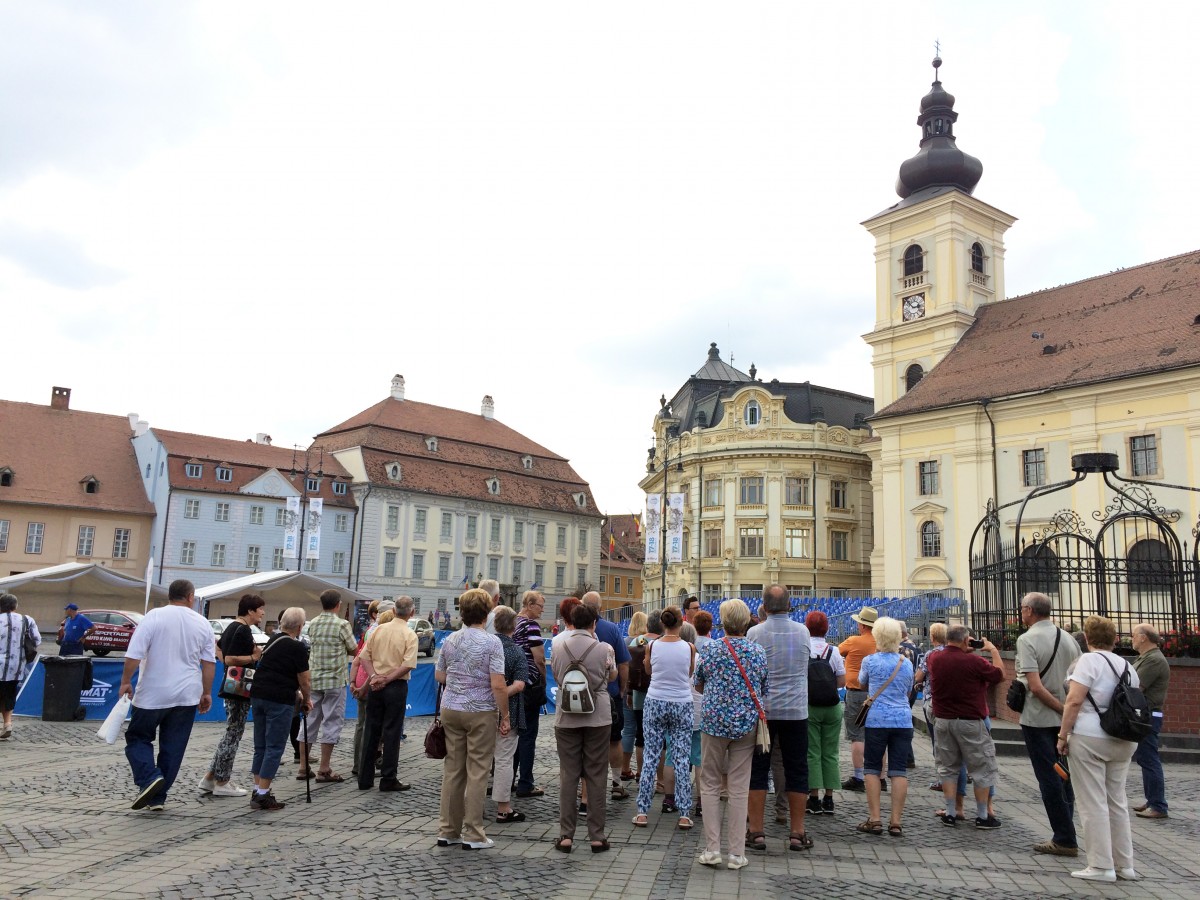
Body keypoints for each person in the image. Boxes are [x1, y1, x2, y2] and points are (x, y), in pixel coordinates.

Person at [1057, 615, 1143, 882]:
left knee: (1092, 802)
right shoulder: (1128, 666)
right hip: (1125, 738)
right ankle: (1124, 865)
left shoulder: (1088, 661)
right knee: (1116, 800)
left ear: (1087, 636)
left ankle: (1100, 865)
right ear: (1115, 638)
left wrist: (1063, 735)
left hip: (1090, 735)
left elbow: (1074, 700)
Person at [119, 579, 216, 811]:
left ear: (170, 595)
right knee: (173, 746)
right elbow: (209, 663)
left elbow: (134, 653)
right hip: (187, 693)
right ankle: (157, 797)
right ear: (190, 597)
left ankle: (149, 779)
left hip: (153, 691)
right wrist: (207, 693)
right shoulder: (202, 623)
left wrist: (125, 681)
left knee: (138, 738)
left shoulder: (153, 617)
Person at [694, 599, 767, 871]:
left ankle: (712, 848)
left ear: (722, 622)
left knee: (710, 782)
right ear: (746, 622)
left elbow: (698, 683)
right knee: (739, 786)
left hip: (713, 721)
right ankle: (737, 853)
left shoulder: (711, 650)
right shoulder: (757, 651)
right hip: (746, 723)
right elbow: (764, 685)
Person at [435, 588, 509, 850]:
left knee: (453, 770)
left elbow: (440, 675)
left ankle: (448, 830)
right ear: (487, 612)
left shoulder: (451, 639)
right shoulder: (492, 642)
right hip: (480, 710)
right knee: (477, 771)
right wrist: (506, 714)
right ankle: (474, 833)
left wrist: (460, 681)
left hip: (451, 708)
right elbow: (498, 684)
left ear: (462, 612)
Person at [1014, 591, 1082, 857]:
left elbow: (1036, 687)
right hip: (1064, 722)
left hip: (1039, 719)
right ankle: (1067, 830)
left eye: (1022, 609)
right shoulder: (1068, 638)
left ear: (1030, 610)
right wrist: (1068, 712)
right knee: (1065, 775)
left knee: (1049, 778)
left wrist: (1061, 708)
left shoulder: (1027, 639)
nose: (1021, 613)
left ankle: (1064, 837)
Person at [746, 584, 812, 853]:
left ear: (764, 606)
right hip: (796, 711)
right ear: (789, 604)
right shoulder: (803, 631)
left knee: (758, 769)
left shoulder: (755, 633)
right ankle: (797, 832)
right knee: (797, 769)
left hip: (764, 712)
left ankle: (757, 832)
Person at [551, 603, 616, 853]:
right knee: (597, 774)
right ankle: (597, 836)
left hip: (566, 715)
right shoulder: (604, 648)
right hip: (598, 716)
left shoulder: (558, 645)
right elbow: (610, 677)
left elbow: (557, 676)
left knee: (569, 774)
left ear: (571, 622)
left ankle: (566, 835)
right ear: (594, 624)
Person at [926, 625, 1004, 830]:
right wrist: (993, 651)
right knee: (981, 768)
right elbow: (999, 675)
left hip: (943, 721)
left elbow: (946, 659)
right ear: (965, 640)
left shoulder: (935, 659)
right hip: (970, 721)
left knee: (948, 767)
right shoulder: (975, 661)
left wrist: (961, 648)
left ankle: (951, 812)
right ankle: (982, 815)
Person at [634, 605, 695, 830]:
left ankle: (642, 811)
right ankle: (685, 813)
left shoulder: (652, 645)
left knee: (651, 756)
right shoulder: (689, 647)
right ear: (681, 622)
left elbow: (648, 671)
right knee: (681, 757)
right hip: (681, 702)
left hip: (656, 701)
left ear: (663, 623)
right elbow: (689, 672)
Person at [200, 593, 265, 797]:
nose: (263, 612)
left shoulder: (231, 627)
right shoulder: (242, 629)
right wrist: (253, 657)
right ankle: (222, 781)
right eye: (261, 609)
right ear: (250, 611)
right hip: (238, 687)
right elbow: (229, 658)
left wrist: (229, 663)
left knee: (232, 732)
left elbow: (218, 649)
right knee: (233, 734)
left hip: (231, 685)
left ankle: (210, 777)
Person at [855, 616, 914, 837]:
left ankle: (875, 818)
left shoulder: (870, 661)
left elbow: (862, 684)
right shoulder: (905, 662)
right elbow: (908, 690)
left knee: (872, 767)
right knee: (899, 770)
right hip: (902, 720)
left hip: (877, 720)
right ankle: (896, 821)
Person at [248, 607, 312, 811]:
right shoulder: (297, 647)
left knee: (261, 745)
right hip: (279, 698)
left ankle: (258, 789)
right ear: (300, 627)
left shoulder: (272, 641)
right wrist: (306, 699)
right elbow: (305, 679)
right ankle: (263, 795)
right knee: (274, 747)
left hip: (258, 695)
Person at [357, 595, 419, 791]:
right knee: (392, 732)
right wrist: (388, 679)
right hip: (395, 686)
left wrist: (375, 676)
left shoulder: (379, 630)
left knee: (371, 730)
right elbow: (408, 665)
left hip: (376, 686)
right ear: (412, 613)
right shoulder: (409, 635)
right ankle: (388, 777)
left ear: (393, 611)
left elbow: (363, 657)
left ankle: (364, 778)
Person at [299, 589, 357, 782]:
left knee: (310, 720)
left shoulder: (313, 623)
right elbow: (353, 648)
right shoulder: (342, 624)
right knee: (331, 722)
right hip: (335, 680)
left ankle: (303, 766)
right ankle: (324, 768)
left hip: (314, 679)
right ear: (338, 604)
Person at [582, 592, 632, 800]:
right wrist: (622, 689)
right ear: (601, 608)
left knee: (584, 742)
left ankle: (584, 787)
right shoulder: (612, 629)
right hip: (609, 695)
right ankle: (616, 782)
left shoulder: (573, 632)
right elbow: (623, 664)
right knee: (614, 740)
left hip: (581, 696)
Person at [804, 610, 844, 816]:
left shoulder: (804, 648)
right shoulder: (833, 651)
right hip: (832, 706)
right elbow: (842, 681)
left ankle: (813, 798)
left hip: (810, 706)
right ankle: (829, 798)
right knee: (830, 752)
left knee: (812, 751)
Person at [491, 606, 528, 823]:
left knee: (478, 758)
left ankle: (470, 804)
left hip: (482, 708)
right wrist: (504, 691)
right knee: (504, 759)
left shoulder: (486, 646)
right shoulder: (516, 651)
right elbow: (521, 684)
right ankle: (503, 808)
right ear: (513, 626)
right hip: (509, 711)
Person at [1131, 622, 1170, 820]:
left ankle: (1158, 805)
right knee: (1145, 758)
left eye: (1134, 635)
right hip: (1145, 714)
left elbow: (1136, 686)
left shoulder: (1153, 660)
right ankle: (1152, 799)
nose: (1132, 639)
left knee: (1149, 758)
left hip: (1148, 715)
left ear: (1144, 637)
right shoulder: (1146, 657)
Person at [838, 606, 879, 791]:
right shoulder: (880, 642)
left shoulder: (853, 640)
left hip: (855, 691)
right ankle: (882, 777)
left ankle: (858, 776)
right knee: (878, 735)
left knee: (857, 736)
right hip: (876, 692)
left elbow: (838, 652)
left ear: (862, 625)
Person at [513, 591, 547, 799]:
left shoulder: (514, 621)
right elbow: (540, 658)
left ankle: (508, 779)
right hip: (529, 683)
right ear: (530, 604)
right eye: (541, 606)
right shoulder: (531, 625)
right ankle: (526, 782)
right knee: (527, 736)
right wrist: (543, 678)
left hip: (514, 683)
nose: (542, 609)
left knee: (514, 735)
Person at [349, 598, 384, 777]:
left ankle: (359, 764)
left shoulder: (367, 632)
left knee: (361, 725)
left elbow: (357, 660)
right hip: (368, 682)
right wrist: (361, 686)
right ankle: (364, 765)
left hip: (362, 680)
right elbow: (369, 662)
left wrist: (353, 682)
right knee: (369, 726)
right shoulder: (376, 632)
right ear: (375, 614)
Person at [1, 593, 40, 740]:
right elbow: (37, 640)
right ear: (15, 606)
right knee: (9, 694)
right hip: (16, 666)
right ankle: (8, 724)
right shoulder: (26, 620)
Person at [620, 610, 650, 780]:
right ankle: (641, 769)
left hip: (626, 688)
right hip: (639, 690)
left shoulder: (625, 641)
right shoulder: (643, 641)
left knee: (628, 729)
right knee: (641, 731)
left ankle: (624, 767)